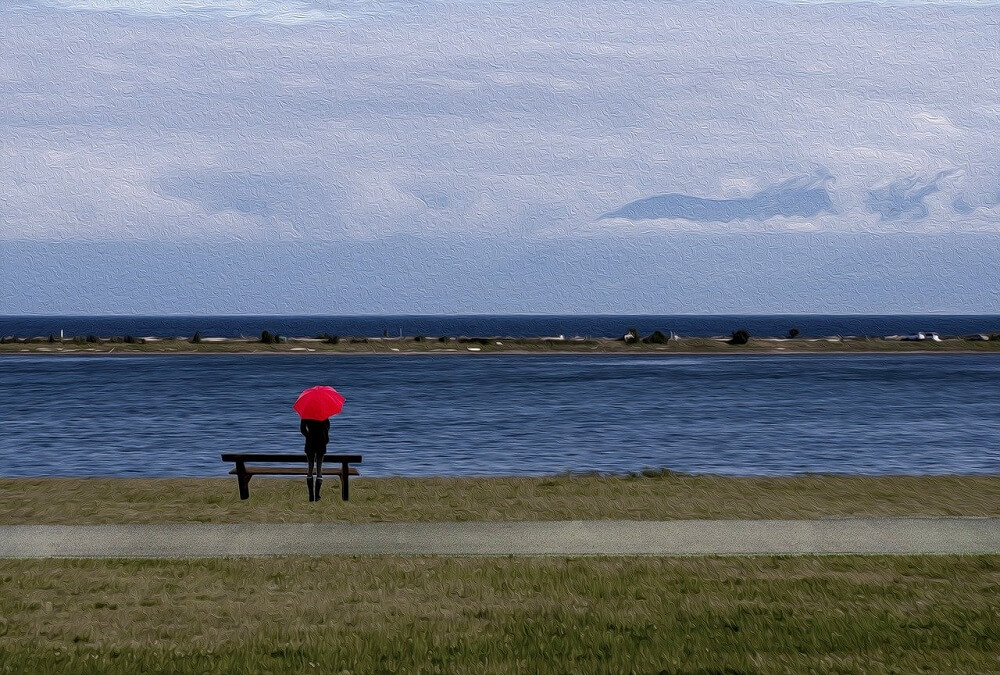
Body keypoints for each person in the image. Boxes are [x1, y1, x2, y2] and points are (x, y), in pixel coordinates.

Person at [300, 417, 331, 501]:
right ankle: (317, 495)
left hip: (310, 443)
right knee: (319, 469)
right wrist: (325, 437)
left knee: (310, 468)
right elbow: (327, 427)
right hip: (321, 442)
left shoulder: (306, 415)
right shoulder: (323, 414)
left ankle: (311, 495)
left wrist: (309, 436)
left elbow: (302, 429)